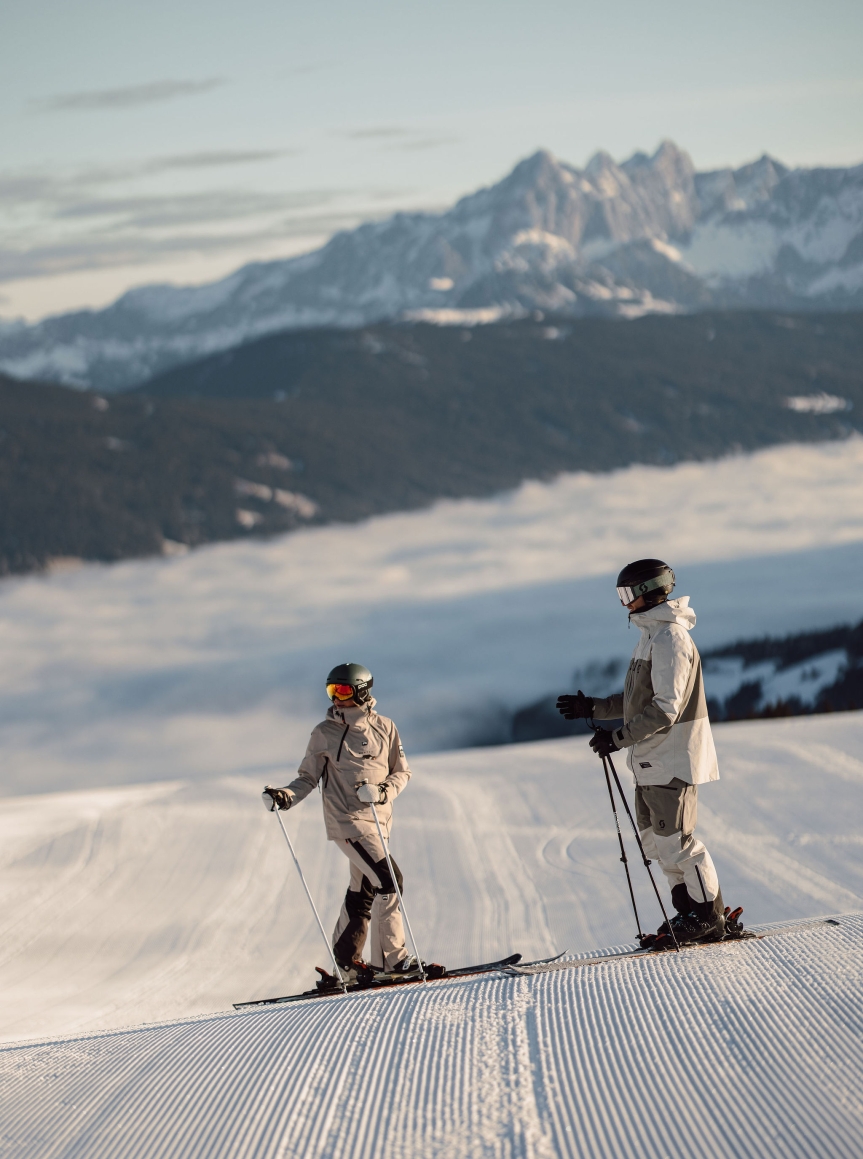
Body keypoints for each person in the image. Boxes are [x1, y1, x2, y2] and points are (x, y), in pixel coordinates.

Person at [557, 559, 727, 945]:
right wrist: (595, 708)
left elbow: (666, 708)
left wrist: (617, 739)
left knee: (678, 844)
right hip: (650, 761)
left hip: (672, 758)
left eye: (627, 594)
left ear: (648, 591)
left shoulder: (670, 638)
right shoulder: (650, 636)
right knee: (654, 842)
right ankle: (690, 912)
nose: (624, 604)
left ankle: (707, 916)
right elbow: (640, 701)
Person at [262, 662, 428, 982]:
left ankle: (347, 963)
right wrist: (285, 796)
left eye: (342, 690)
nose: (335, 698)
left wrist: (381, 792)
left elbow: (402, 772)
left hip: (379, 822)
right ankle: (392, 963)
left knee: (364, 889)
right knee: (389, 879)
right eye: (331, 691)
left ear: (362, 691)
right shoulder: (324, 733)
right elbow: (307, 777)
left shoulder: (386, 727)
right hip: (347, 822)